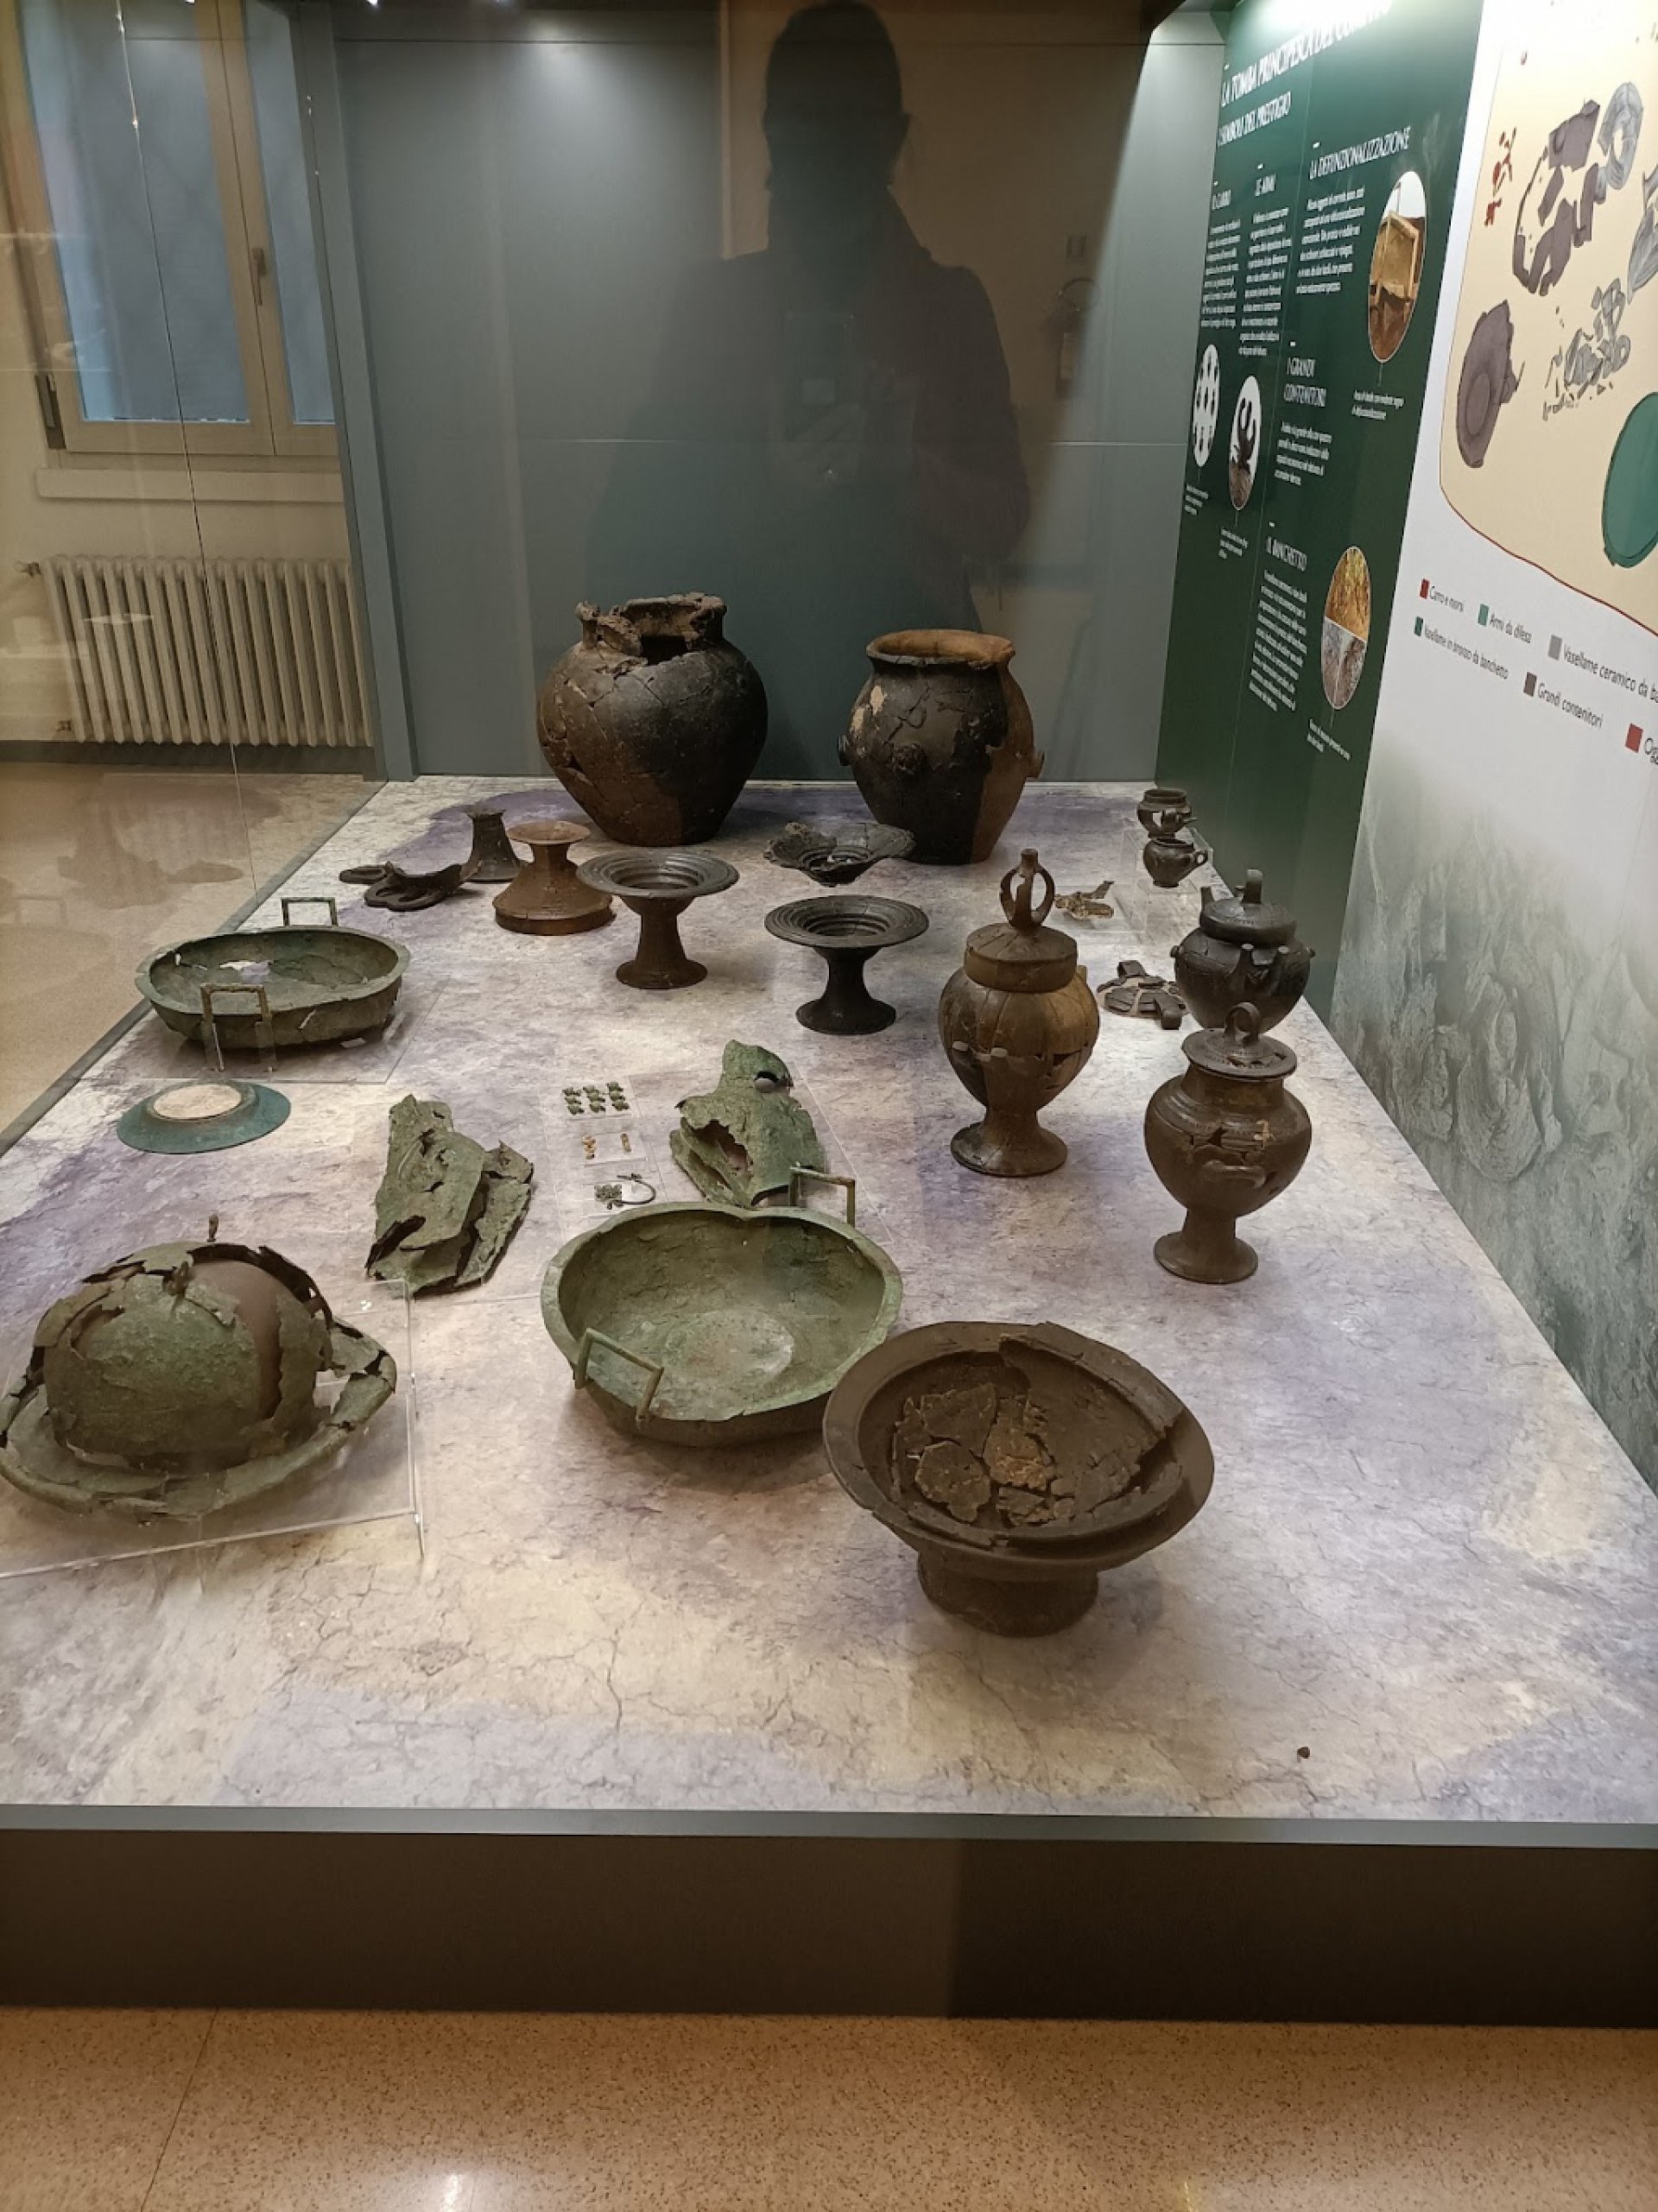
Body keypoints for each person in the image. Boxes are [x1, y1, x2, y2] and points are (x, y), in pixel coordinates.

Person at [589, 0, 1028, 777]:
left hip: (913, 692)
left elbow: (1004, 521)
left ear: (888, 138)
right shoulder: (715, 309)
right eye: (805, 130)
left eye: (843, 130)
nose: (822, 155)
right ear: (773, 136)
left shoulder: (948, 307)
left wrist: (900, 467)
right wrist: (773, 481)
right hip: (750, 681)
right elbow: (642, 539)